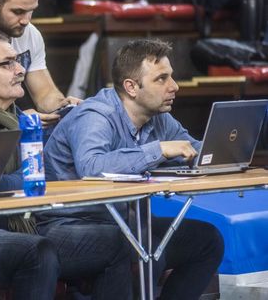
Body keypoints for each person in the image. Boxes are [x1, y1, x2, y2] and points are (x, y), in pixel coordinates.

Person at [0, 32, 133, 300]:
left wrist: (34, 171)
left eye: (19, 61)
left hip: (20, 224)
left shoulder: (13, 117)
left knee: (118, 242)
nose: (20, 70)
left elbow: (36, 173)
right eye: (8, 63)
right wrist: (32, 174)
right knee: (37, 251)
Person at [44, 39, 225, 299]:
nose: (174, 86)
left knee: (207, 239)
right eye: (161, 79)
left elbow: (193, 150)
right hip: (66, 225)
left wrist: (229, 151)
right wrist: (158, 150)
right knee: (140, 247)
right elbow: (91, 167)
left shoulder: (160, 118)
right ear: (131, 87)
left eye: (171, 76)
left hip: (122, 223)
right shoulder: (95, 115)